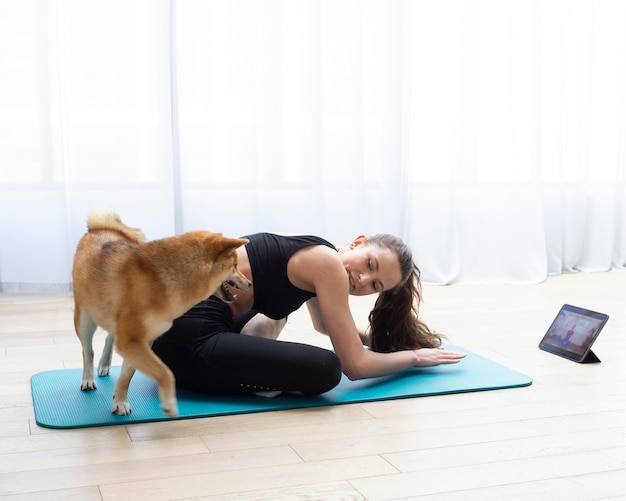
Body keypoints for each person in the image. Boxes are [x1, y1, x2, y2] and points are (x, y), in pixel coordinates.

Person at [151, 232, 466, 396]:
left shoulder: (319, 255)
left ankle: (248, 361)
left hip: (167, 331)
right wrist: (413, 358)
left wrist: (382, 340)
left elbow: (324, 327)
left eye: (376, 285)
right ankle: (255, 377)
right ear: (357, 243)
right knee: (327, 369)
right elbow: (354, 366)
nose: (363, 281)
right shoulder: (327, 265)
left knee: (278, 313)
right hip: (187, 339)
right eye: (369, 264)